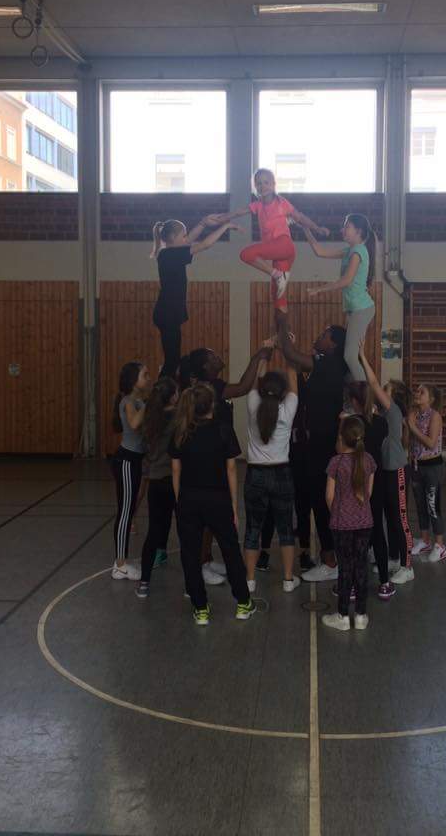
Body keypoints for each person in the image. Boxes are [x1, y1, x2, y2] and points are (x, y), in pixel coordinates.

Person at [178, 343, 273, 584]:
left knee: (208, 517)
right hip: (208, 457)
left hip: (209, 454)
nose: (219, 357)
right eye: (213, 356)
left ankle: (206, 559)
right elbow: (242, 387)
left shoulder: (207, 385)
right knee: (207, 516)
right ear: (206, 366)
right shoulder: (211, 387)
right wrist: (257, 357)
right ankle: (200, 565)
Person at [170, 382, 255, 625]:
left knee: (190, 553)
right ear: (212, 406)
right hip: (217, 499)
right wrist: (233, 506)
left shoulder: (181, 431)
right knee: (230, 550)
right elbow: (231, 469)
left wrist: (179, 500)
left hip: (189, 498)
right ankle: (243, 603)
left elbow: (176, 470)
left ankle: (200, 608)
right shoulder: (223, 430)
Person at [276, 310, 347, 581]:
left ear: (334, 344)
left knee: (322, 501)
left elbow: (291, 354)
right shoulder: (326, 365)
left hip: (323, 444)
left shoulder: (330, 364)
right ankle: (328, 556)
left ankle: (331, 561)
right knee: (314, 500)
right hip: (314, 443)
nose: (319, 335)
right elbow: (295, 366)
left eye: (325, 334)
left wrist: (283, 322)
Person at [206, 168, 328, 312]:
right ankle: (283, 326)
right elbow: (238, 212)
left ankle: (277, 274)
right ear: (255, 187)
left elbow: (300, 217)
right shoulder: (257, 205)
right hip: (276, 253)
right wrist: (220, 219)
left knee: (246, 254)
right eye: (258, 183)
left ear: (273, 184)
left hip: (284, 246)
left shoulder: (281, 203)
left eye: (266, 182)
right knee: (278, 297)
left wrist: (317, 228)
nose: (262, 186)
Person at [150, 217, 242, 379]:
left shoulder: (169, 253)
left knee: (173, 360)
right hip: (167, 314)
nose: (186, 238)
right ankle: (163, 389)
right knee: (172, 361)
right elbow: (204, 244)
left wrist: (203, 223)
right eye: (183, 235)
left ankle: (167, 384)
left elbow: (188, 240)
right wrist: (225, 227)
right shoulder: (170, 255)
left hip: (168, 313)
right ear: (172, 238)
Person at [244, 350, 301, 594]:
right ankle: (288, 580)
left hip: (255, 474)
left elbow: (257, 380)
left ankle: (249, 580)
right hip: (281, 474)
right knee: (286, 528)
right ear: (282, 392)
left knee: (252, 529)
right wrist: (288, 349)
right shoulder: (288, 409)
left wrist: (265, 354)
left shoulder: (252, 403)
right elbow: (293, 378)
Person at [359, 349, 414, 586]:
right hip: (387, 472)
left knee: (400, 520)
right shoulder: (383, 415)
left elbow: (372, 383)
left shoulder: (394, 411)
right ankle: (393, 558)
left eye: (386, 389)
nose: (381, 390)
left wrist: (363, 358)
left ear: (394, 397)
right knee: (390, 519)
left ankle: (407, 566)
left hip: (398, 471)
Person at [303, 214, 377, 381]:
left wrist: (319, 289)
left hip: (361, 309)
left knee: (350, 356)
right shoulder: (349, 251)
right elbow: (319, 251)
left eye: (347, 226)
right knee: (351, 355)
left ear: (358, 231)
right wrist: (305, 227)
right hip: (355, 309)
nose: (343, 230)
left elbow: (346, 280)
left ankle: (366, 391)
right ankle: (355, 386)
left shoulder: (358, 251)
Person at [322, 416, 376, 632]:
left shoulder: (336, 463)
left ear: (341, 438)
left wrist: (338, 512)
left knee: (345, 569)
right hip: (364, 523)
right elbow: (369, 492)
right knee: (361, 567)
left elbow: (329, 496)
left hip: (341, 524)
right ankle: (361, 615)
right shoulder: (368, 460)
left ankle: (343, 615)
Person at [343, 380, 392, 600]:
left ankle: (353, 585)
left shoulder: (350, 424)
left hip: (355, 481)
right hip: (377, 480)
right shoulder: (381, 423)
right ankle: (384, 582)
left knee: (355, 533)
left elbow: (341, 450)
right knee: (377, 530)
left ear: (354, 401)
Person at [135, 376, 179, 598]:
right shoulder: (178, 418)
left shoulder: (150, 419)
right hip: (174, 481)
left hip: (155, 482)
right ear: (172, 397)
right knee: (185, 531)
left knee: (154, 530)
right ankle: (191, 586)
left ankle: (144, 582)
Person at [110, 361, 152, 581]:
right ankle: (119, 565)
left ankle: (122, 559)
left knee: (129, 508)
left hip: (136, 460)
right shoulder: (128, 401)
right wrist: (148, 403)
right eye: (145, 375)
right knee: (126, 511)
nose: (149, 378)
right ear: (134, 381)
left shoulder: (138, 401)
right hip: (126, 461)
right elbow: (135, 423)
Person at [407, 384, 446, 563]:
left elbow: (431, 443)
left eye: (422, 392)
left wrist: (412, 427)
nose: (417, 393)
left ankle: (440, 545)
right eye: (417, 390)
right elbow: (409, 441)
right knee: (420, 505)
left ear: (430, 399)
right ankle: (424, 540)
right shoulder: (414, 414)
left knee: (432, 506)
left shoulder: (434, 416)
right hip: (416, 465)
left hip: (432, 466)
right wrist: (407, 426)